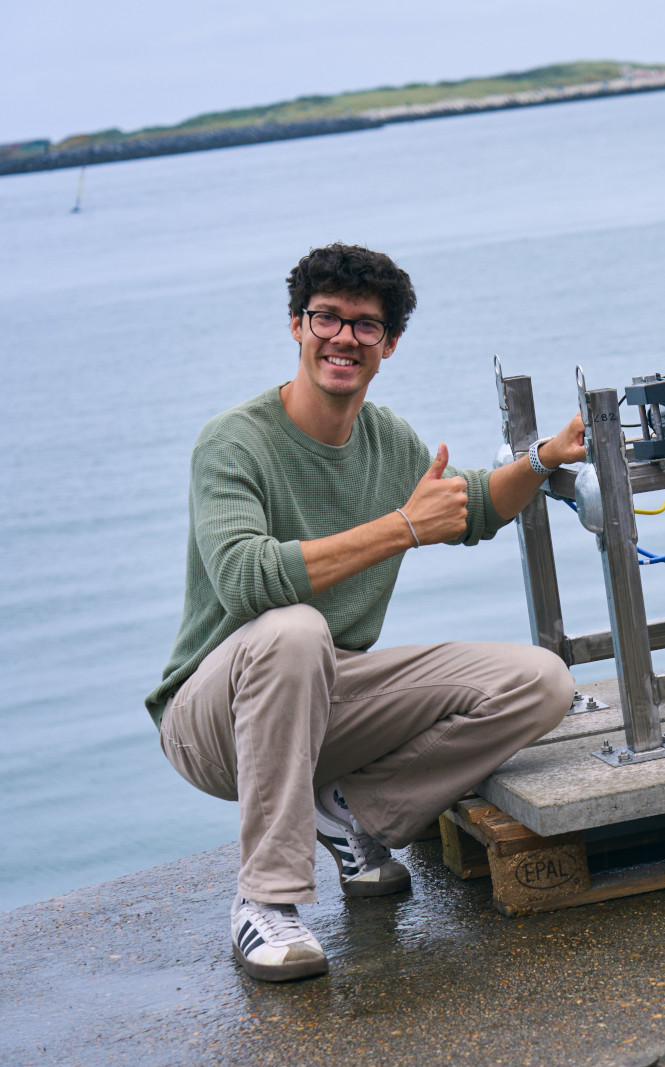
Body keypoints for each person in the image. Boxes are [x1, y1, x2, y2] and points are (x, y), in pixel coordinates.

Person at [146, 243, 585, 982]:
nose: (344, 337)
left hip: (324, 698)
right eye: (327, 318)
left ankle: (349, 810)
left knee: (542, 680)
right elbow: (249, 581)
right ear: (296, 325)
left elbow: (471, 505)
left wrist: (540, 461)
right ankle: (266, 902)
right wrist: (402, 527)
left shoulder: (387, 441)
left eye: (366, 325)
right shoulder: (235, 441)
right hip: (212, 719)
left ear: (389, 345)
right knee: (294, 627)